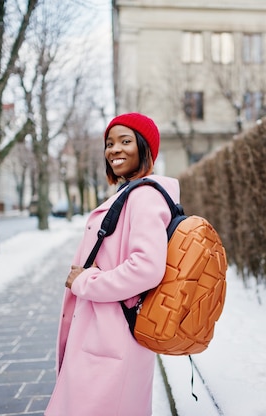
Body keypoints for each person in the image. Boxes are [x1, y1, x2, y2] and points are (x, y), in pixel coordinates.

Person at [45, 113, 179, 416]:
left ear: (145, 147)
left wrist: (85, 282)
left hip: (113, 333)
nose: (114, 149)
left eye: (125, 141)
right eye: (109, 143)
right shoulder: (131, 193)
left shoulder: (145, 196)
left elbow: (146, 267)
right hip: (105, 330)